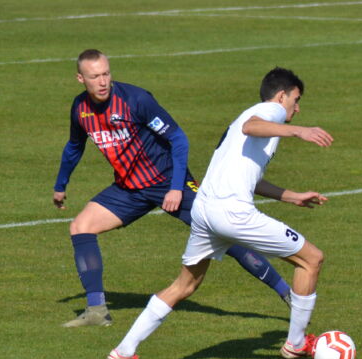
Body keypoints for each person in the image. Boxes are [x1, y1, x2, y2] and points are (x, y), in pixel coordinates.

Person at [106, 67, 333, 359]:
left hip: (205, 210)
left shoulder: (254, 120)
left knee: (184, 285)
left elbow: (248, 175)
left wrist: (291, 196)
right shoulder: (269, 111)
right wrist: (300, 130)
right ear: (282, 95)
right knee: (311, 259)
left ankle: (123, 351)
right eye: (296, 99)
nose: (297, 107)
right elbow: (252, 126)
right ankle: (295, 342)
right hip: (231, 212)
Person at [53, 50, 292, 327]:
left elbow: (179, 139)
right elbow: (74, 146)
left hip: (168, 181)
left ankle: (287, 293)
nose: (103, 81)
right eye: (95, 76)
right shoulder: (80, 109)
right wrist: (61, 185)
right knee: (81, 227)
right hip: (129, 188)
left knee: (224, 232)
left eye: (106, 73)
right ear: (81, 78)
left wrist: (176, 188)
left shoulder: (136, 100)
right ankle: (96, 311)